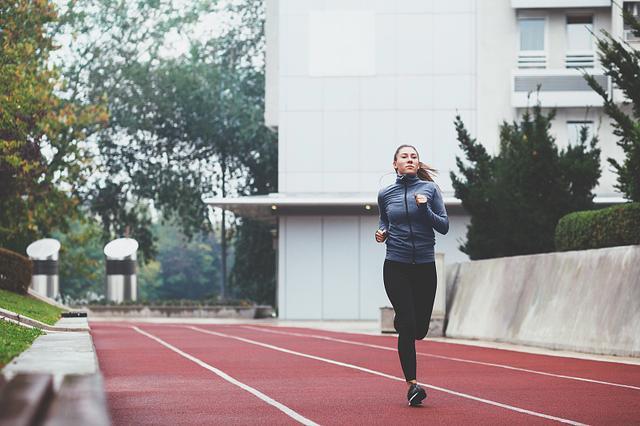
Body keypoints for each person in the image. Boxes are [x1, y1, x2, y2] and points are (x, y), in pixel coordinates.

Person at [375, 144, 449, 406]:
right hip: (396, 264)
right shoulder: (385, 194)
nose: (409, 159)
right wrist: (381, 233)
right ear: (395, 163)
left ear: (418, 164)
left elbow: (444, 226)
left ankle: (404, 319)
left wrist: (425, 209)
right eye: (404, 156)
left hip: (424, 267)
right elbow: (384, 221)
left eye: (413, 157)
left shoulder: (429, 190)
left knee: (420, 330)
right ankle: (412, 386)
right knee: (407, 324)